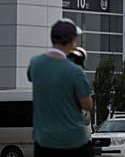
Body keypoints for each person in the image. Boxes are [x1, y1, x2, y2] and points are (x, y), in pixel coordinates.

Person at [28, 18, 94, 157]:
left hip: (44, 141)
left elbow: (31, 77)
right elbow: (87, 105)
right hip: (73, 142)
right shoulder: (75, 71)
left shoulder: (35, 64)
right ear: (72, 40)